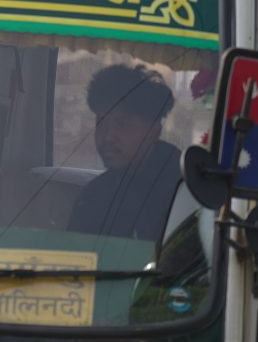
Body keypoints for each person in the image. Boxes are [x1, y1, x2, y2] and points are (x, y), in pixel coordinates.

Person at [68, 63, 183, 242]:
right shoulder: (94, 196)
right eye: (102, 123)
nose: (108, 136)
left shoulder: (185, 187)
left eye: (122, 124)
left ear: (153, 132)